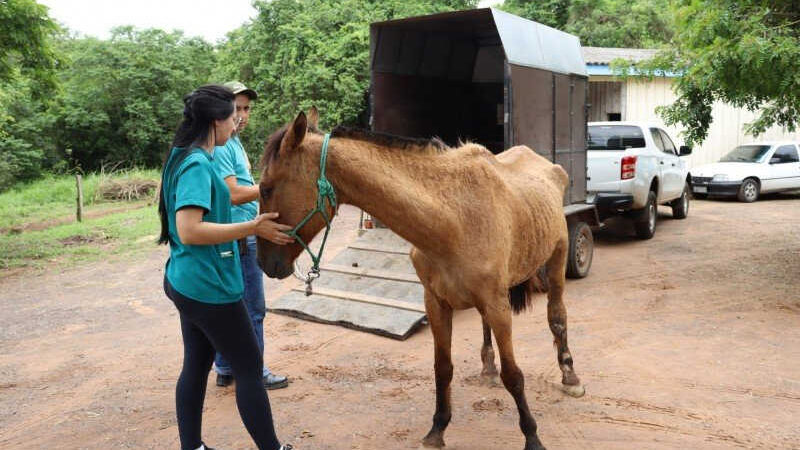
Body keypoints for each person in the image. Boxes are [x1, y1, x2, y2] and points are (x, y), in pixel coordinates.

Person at [157, 84, 294, 450]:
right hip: (209, 286)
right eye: (234, 119)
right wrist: (253, 225)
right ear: (217, 121)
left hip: (186, 279)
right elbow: (189, 229)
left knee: (196, 365)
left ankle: (193, 447)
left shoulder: (182, 154)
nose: (237, 125)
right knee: (249, 369)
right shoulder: (198, 164)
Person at [212, 81, 288, 390]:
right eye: (236, 109)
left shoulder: (232, 142)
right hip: (240, 235)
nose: (242, 115)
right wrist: (271, 189)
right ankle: (254, 370)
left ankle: (226, 366)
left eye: (246, 109)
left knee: (231, 305)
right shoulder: (221, 146)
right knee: (252, 309)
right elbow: (231, 194)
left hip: (239, 233)